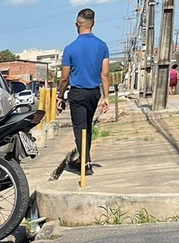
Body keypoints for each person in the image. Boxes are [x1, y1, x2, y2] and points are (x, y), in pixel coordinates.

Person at [56, 7, 110, 176]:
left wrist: (60, 96)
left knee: (80, 128)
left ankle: (85, 164)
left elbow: (64, 77)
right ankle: (82, 159)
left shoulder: (70, 48)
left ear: (77, 24)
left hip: (78, 93)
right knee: (87, 126)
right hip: (94, 93)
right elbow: (105, 74)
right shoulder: (102, 46)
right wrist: (106, 97)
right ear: (93, 23)